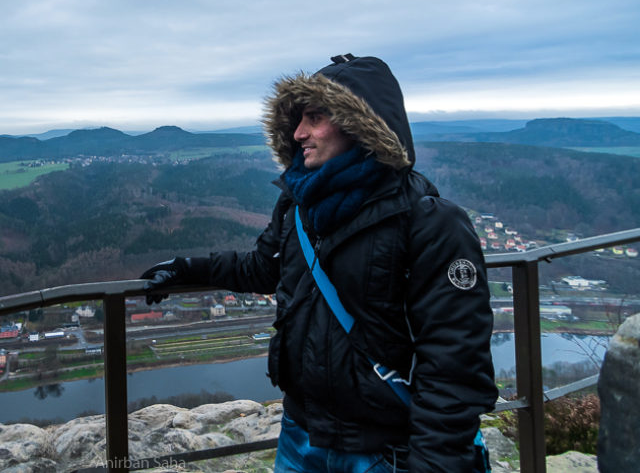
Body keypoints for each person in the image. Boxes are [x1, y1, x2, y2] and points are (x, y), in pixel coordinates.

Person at [140, 54, 497, 473]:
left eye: (313, 117)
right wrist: (186, 268)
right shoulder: (299, 203)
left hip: (386, 450)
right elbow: (263, 266)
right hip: (301, 435)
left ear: (359, 124)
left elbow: (453, 362)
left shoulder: (429, 222)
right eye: (297, 120)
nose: (298, 133)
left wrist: (434, 464)